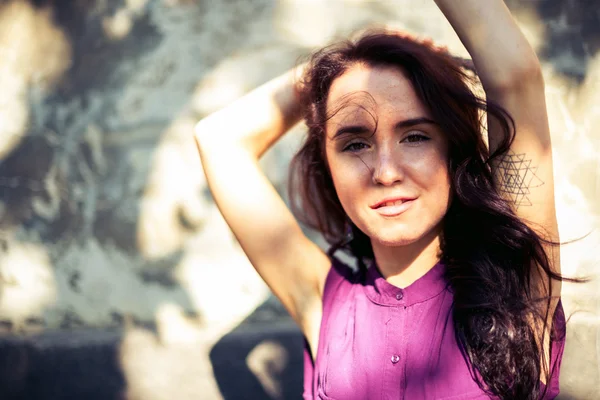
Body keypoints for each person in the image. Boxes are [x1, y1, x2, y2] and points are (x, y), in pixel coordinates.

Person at [194, 1, 569, 398]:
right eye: (355, 143)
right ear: (328, 167)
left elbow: (516, 76)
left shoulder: (515, 284)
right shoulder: (324, 301)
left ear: (452, 152)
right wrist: (336, 67)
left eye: (416, 136)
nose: (386, 172)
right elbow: (219, 140)